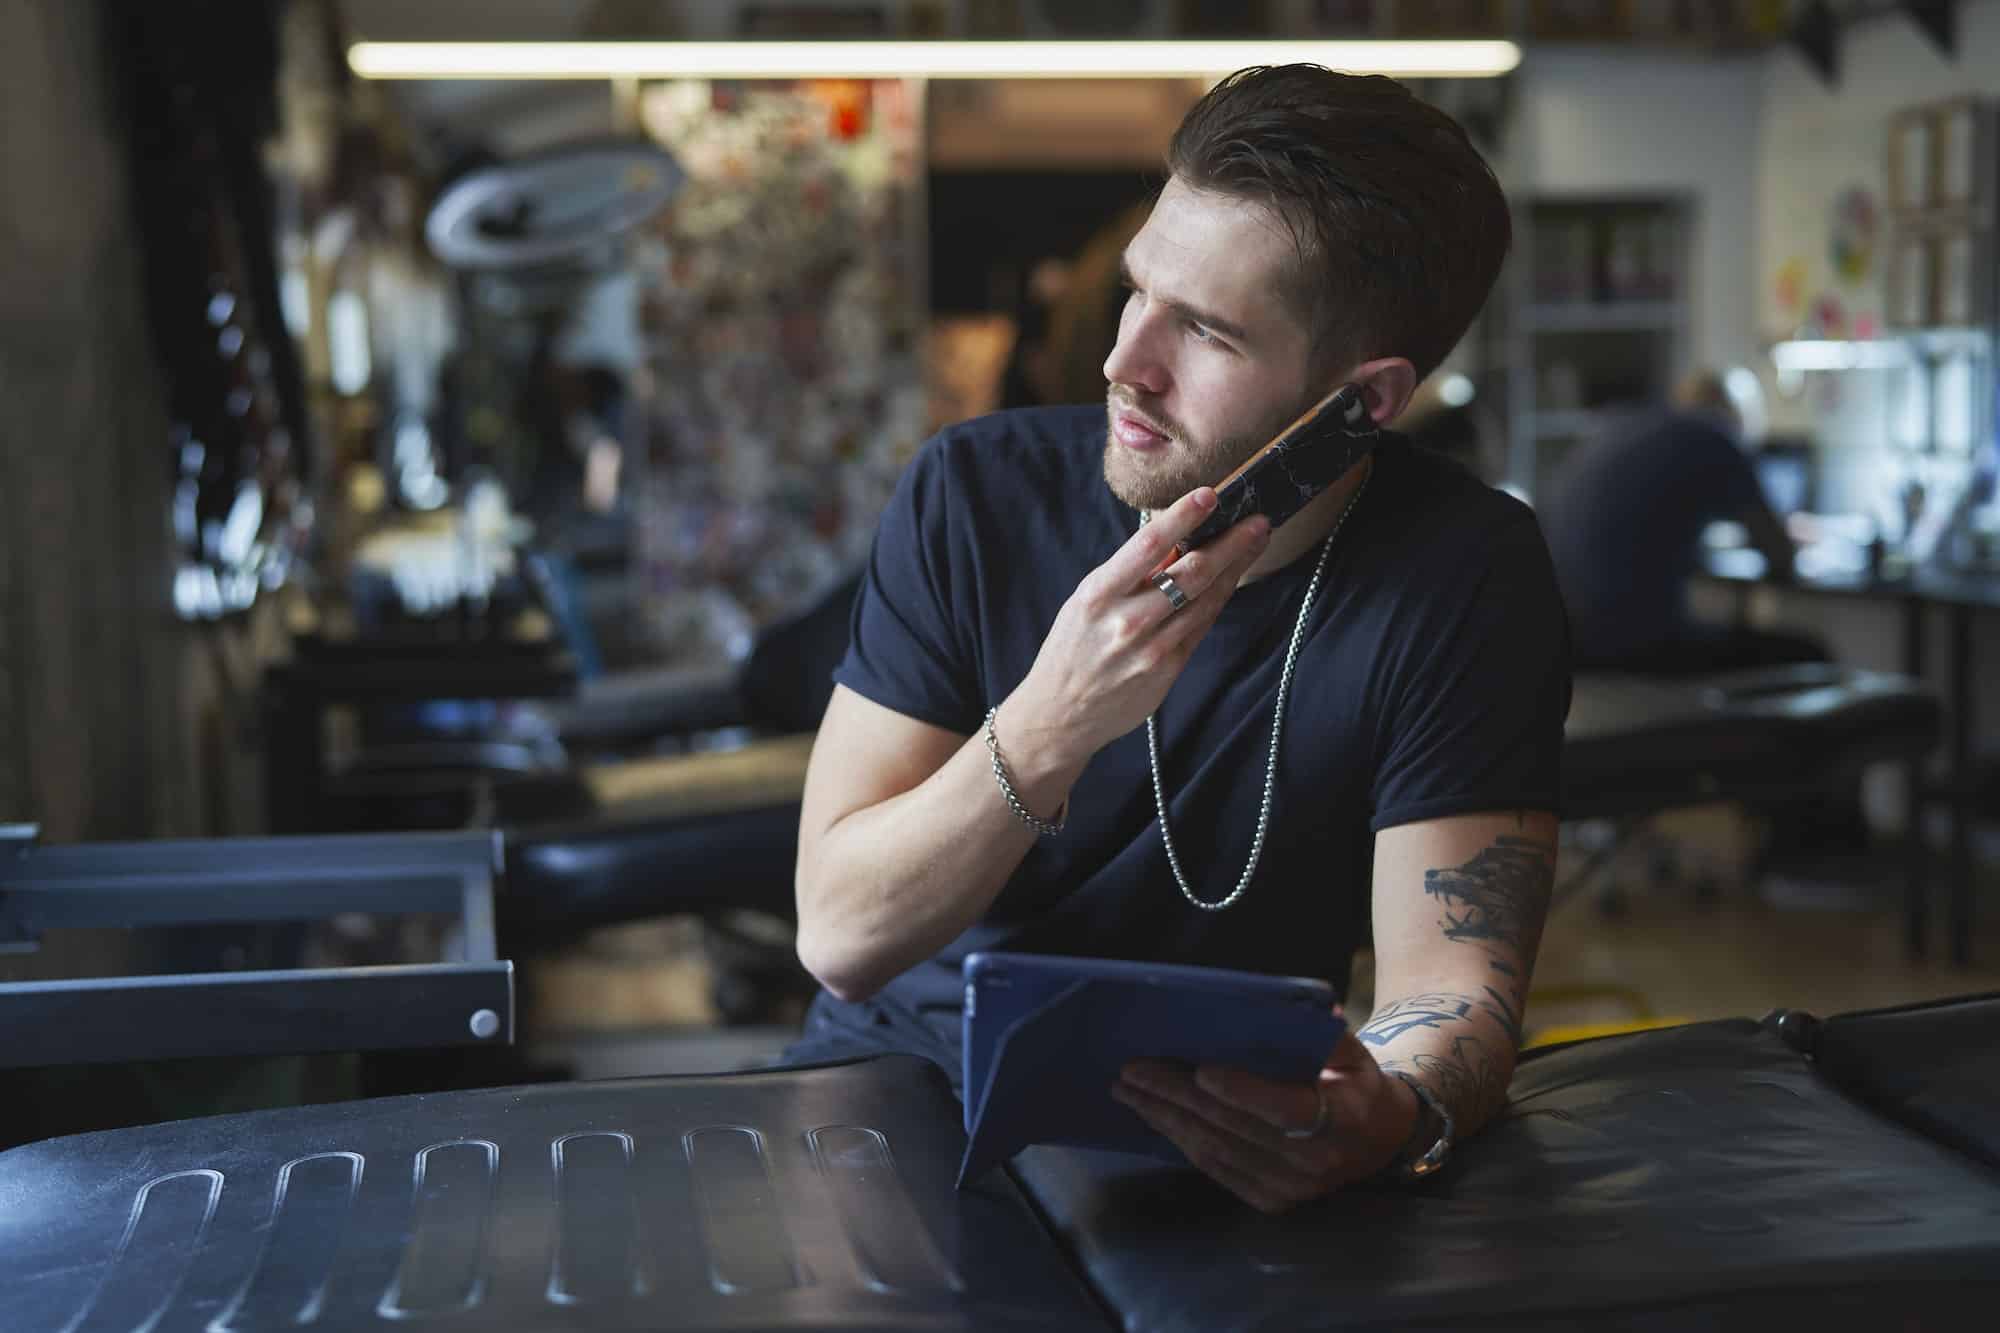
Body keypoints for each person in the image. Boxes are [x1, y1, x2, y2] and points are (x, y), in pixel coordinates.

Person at [787, 65, 1571, 1214]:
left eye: (1201, 330)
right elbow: (841, 937)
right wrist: (1054, 718)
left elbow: (1450, 988)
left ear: (1364, 399)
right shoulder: (972, 493)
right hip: (895, 1091)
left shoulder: (1463, 574)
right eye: (1135, 291)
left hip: (1215, 1132)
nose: (1122, 362)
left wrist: (1390, 1111)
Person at [1539, 370, 1818, 674]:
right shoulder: (1717, 436)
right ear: (1736, 416)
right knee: (1809, 653)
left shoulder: (1615, 431)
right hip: (1635, 647)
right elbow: (1780, 556)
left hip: (1570, 643)